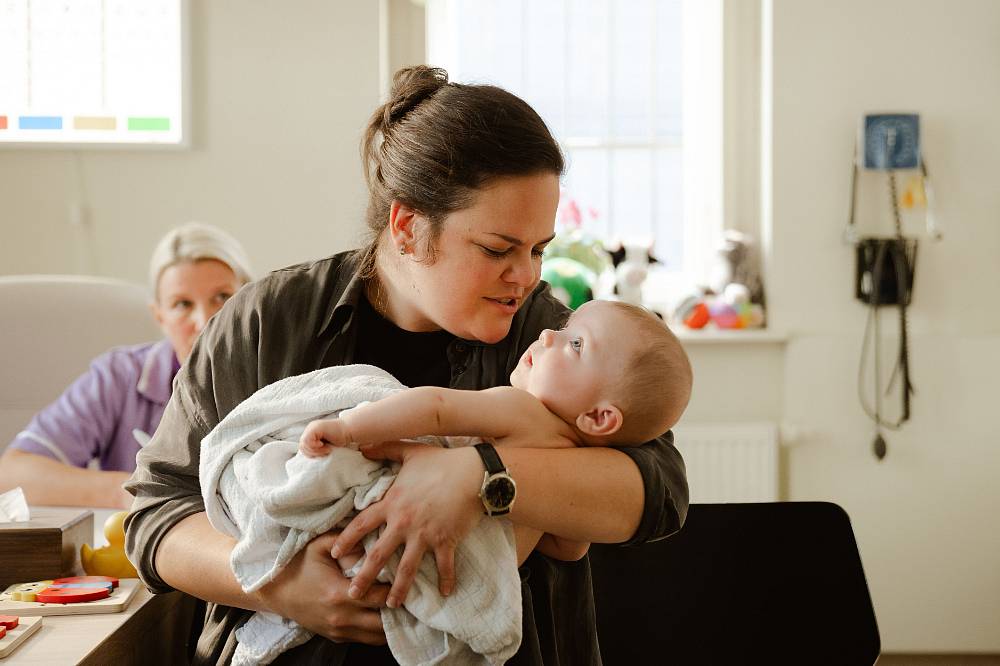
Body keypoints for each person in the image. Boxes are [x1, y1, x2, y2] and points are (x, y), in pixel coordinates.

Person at [124, 66, 688, 665]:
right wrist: (280, 585)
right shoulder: (267, 321)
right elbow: (157, 514)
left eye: (538, 249)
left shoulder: (542, 332)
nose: (526, 276)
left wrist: (479, 476)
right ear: (408, 226)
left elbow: (656, 490)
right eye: (497, 249)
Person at [300, 298, 693, 564]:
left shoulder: (522, 410)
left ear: (599, 418)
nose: (546, 335)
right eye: (564, 327)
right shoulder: (575, 464)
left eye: (575, 344)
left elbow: (436, 408)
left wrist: (348, 427)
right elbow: (570, 549)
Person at [0, 223, 252, 509]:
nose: (204, 321)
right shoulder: (120, 377)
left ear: (249, 300)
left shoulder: (280, 374)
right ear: (159, 316)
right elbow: (12, 475)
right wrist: (135, 489)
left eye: (222, 297)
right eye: (182, 304)